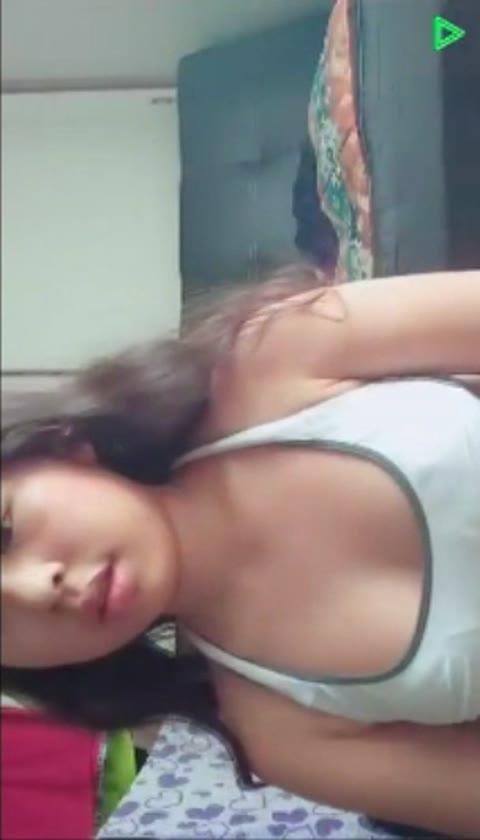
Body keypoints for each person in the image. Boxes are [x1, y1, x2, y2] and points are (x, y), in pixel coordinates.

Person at [2, 264, 479, 838]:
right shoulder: (282, 734)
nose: (37, 589)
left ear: (57, 449)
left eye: (6, 533)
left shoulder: (275, 354)